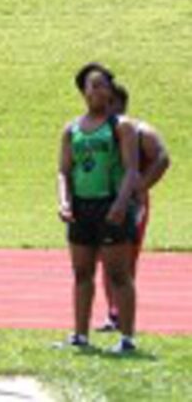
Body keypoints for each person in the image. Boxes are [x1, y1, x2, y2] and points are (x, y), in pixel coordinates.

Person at [57, 63, 139, 353]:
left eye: (104, 85)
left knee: (118, 274)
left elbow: (132, 170)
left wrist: (120, 203)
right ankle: (80, 335)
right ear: (83, 91)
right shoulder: (71, 129)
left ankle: (127, 338)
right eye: (93, 85)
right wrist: (64, 201)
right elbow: (64, 171)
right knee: (82, 273)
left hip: (110, 204)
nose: (99, 90)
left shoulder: (121, 126)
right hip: (81, 206)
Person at [97, 82, 170, 332]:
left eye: (106, 102)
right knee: (104, 258)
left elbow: (162, 157)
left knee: (125, 259)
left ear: (118, 104)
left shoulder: (140, 131)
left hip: (130, 204)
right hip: (101, 200)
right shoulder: (98, 130)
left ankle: (122, 314)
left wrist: (141, 186)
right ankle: (112, 313)